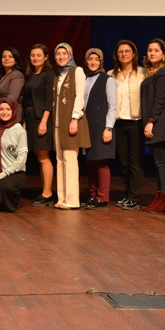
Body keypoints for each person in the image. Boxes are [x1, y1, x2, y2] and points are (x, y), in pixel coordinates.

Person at [108, 39, 146, 210]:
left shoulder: (143, 73)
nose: (124, 54)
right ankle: (127, 194)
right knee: (123, 162)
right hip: (118, 122)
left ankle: (134, 197)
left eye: (127, 51)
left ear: (134, 54)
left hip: (136, 122)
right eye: (120, 51)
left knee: (135, 161)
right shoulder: (111, 74)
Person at [51, 43, 90, 210]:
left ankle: (72, 200)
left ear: (70, 55)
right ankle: (62, 198)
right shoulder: (58, 75)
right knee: (60, 160)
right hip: (58, 124)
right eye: (58, 54)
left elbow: (80, 95)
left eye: (64, 53)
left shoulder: (77, 71)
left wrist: (74, 118)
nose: (61, 57)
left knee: (70, 160)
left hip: (71, 121)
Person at [140, 39, 165, 213]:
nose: (152, 53)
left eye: (156, 50)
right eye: (149, 50)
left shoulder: (163, 73)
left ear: (164, 54)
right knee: (158, 162)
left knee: (162, 162)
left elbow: (160, 99)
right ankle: (159, 197)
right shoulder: (152, 73)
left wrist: (151, 121)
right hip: (156, 121)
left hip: (160, 123)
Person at [81, 48, 117, 210]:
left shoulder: (108, 80)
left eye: (96, 59)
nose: (93, 62)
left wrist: (108, 128)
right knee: (90, 161)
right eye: (90, 59)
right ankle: (93, 195)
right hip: (87, 126)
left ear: (101, 61)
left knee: (100, 161)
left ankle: (102, 198)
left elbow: (113, 106)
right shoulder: (83, 78)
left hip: (101, 126)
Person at [24, 44, 56, 207]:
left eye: (38, 55)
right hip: (31, 119)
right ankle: (45, 191)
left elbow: (49, 100)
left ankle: (47, 193)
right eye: (32, 55)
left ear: (45, 57)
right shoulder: (30, 75)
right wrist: (25, 120)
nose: (35, 58)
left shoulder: (48, 74)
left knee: (44, 157)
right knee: (39, 156)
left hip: (42, 119)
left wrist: (44, 121)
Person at [0, 98, 27, 213]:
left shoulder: (19, 131)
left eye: (8, 109)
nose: (4, 112)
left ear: (14, 111)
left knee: (4, 189)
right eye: (1, 109)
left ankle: (13, 202)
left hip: (14, 172)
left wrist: (3, 174)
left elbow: (22, 159)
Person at [0, 48, 24, 122]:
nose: (6, 59)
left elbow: (12, 98)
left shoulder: (17, 75)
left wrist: (3, 113)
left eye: (10, 57)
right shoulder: (0, 77)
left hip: (10, 116)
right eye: (4, 57)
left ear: (16, 60)